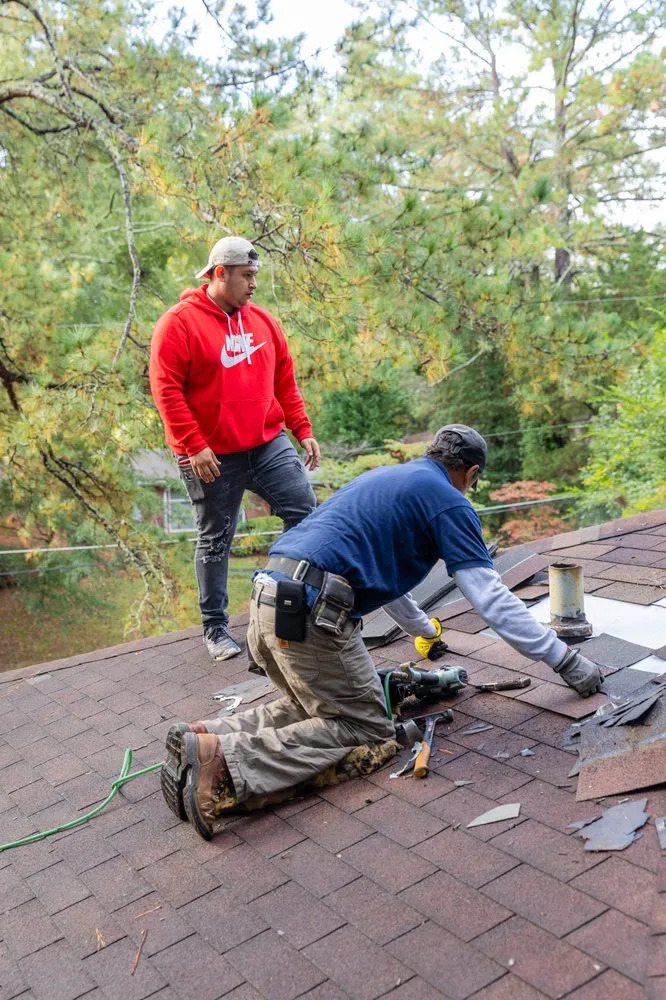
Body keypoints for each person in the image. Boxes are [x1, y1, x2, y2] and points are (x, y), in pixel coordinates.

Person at [161, 424, 603, 839]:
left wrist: (424, 630)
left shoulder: (387, 479)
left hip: (267, 602)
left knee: (313, 706)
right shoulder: (450, 502)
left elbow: (387, 584)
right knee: (365, 726)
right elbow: (490, 598)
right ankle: (224, 765)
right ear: (471, 474)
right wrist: (564, 659)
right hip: (311, 614)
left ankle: (202, 736)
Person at [150, 236, 320, 661]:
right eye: (247, 275)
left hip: (266, 443)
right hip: (209, 454)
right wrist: (194, 445)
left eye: (255, 275)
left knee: (305, 512)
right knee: (216, 539)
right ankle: (215, 627)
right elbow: (166, 390)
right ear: (219, 273)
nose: (253, 284)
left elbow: (284, 380)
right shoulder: (179, 323)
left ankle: (281, 597)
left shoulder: (263, 321)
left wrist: (301, 428)